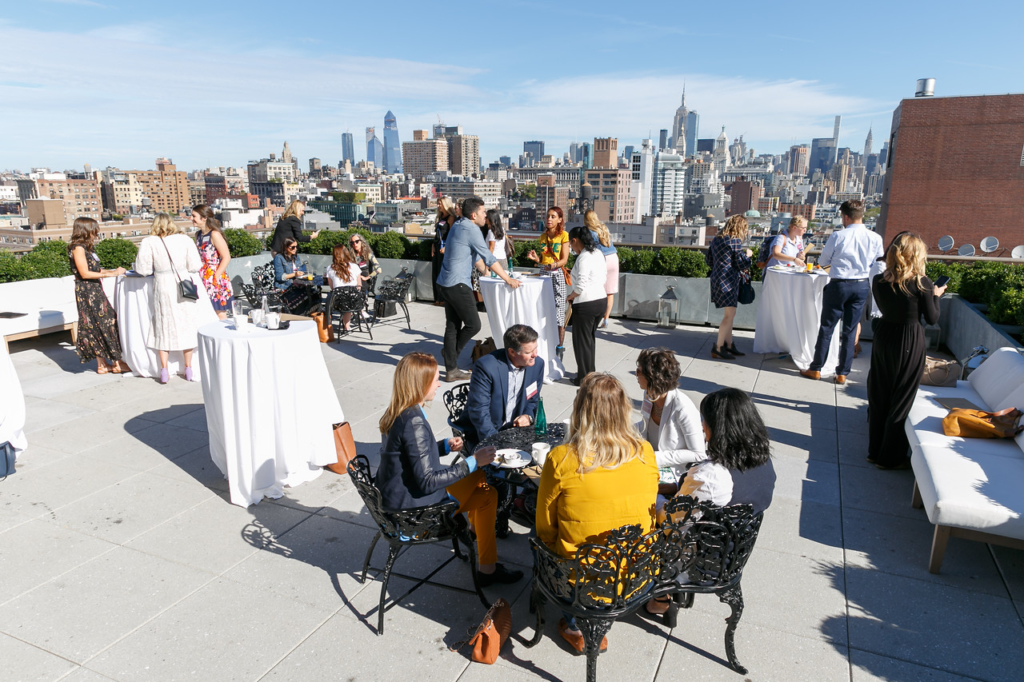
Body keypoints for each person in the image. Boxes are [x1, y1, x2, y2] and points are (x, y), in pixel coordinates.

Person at [536, 373, 659, 653]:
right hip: (634, 575)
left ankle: (575, 625)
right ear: (624, 410)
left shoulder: (561, 458)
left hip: (578, 580)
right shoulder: (645, 452)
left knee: (535, 538)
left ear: (580, 409)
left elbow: (545, 529)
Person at [376, 352, 524, 586]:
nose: (439, 383)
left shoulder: (398, 411)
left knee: (486, 490)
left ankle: (484, 557)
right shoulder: (414, 421)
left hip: (398, 497)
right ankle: (485, 564)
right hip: (415, 511)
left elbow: (410, 456)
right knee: (482, 478)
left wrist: (443, 447)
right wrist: (473, 460)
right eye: (435, 379)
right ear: (421, 383)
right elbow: (427, 480)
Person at [646, 387, 775, 618]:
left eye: (703, 420)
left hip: (702, 561)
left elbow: (668, 520)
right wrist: (677, 487)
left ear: (718, 428)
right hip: (732, 553)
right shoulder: (763, 462)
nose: (701, 426)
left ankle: (660, 597)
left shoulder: (713, 475)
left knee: (638, 520)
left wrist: (650, 495)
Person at [867, 233, 945, 470]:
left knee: (880, 394)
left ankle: (874, 451)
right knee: (902, 397)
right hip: (909, 339)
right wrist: (936, 297)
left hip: (884, 336)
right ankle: (889, 457)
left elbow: (886, 308)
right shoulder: (923, 283)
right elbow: (932, 319)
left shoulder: (879, 280)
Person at [436, 196, 520, 382]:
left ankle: (451, 370)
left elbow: (475, 257)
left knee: (452, 326)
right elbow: (489, 258)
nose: (485, 215)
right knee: (474, 324)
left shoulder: (459, 225)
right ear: (474, 215)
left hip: (445, 283)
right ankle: (450, 355)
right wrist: (507, 279)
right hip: (457, 283)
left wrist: (486, 274)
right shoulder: (471, 229)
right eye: (483, 212)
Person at [800, 200, 884, 384]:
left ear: (846, 216)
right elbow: (879, 265)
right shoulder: (875, 238)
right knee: (850, 330)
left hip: (839, 285)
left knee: (827, 328)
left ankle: (816, 368)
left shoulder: (838, 236)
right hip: (861, 285)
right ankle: (842, 373)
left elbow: (823, 261)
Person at [134, 213, 202, 384]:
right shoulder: (185, 240)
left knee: (163, 326)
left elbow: (143, 270)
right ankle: (188, 368)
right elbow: (195, 265)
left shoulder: (149, 242)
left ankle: (164, 370)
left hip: (163, 285)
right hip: (182, 283)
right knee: (186, 323)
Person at [456, 324, 546, 447]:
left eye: (535, 349)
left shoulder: (537, 365)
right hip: (483, 434)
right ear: (512, 352)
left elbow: (532, 399)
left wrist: (527, 416)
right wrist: (495, 443)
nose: (535, 355)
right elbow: (479, 411)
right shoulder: (486, 367)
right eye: (529, 352)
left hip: (516, 432)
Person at [634, 348, 706, 493]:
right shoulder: (649, 394)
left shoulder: (682, 408)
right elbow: (645, 425)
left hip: (672, 473)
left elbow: (699, 453)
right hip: (647, 462)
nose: (636, 374)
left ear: (651, 377)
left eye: (639, 371)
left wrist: (654, 457)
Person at [67, 217, 129, 374]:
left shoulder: (86, 248)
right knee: (108, 322)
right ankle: (117, 362)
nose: (97, 233)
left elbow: (96, 270)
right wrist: (111, 274)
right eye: (94, 230)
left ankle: (102, 365)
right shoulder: (78, 248)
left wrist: (114, 271)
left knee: (94, 325)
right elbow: (84, 273)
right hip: (87, 291)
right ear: (86, 230)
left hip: (92, 289)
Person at [706, 215, 753, 360]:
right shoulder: (734, 241)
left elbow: (708, 260)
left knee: (729, 314)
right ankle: (718, 347)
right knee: (729, 316)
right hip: (729, 281)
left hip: (716, 278)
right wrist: (748, 255)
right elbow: (741, 263)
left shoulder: (717, 239)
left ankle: (729, 344)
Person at [526, 207, 570, 360]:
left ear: (560, 219)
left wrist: (554, 265)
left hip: (557, 275)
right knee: (543, 310)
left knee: (558, 313)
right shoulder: (543, 237)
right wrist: (536, 259)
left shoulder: (564, 236)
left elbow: (564, 259)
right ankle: (544, 344)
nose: (549, 219)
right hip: (544, 275)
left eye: (553, 216)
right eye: (547, 216)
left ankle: (559, 347)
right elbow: (544, 260)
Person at [565, 226, 607, 385]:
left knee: (581, 343)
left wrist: (571, 296)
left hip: (586, 303)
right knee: (589, 341)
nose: (572, 248)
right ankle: (591, 375)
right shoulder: (598, 253)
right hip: (600, 300)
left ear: (575, 240)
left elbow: (580, 285)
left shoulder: (583, 257)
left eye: (571, 244)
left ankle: (583, 378)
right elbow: (603, 276)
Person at [191, 204, 233, 319]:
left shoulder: (214, 234)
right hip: (203, 276)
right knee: (206, 311)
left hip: (214, 276)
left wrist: (216, 276)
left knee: (219, 312)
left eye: (194, 216)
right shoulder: (198, 235)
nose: (191, 219)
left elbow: (226, 257)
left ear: (204, 218)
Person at [584, 210, 619, 328]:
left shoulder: (588, 231)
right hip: (613, 258)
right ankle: (606, 319)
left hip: (601, 259)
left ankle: (596, 318)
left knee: (597, 289)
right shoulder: (604, 227)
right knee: (610, 291)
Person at [324, 244, 362, 333]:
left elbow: (332, 287)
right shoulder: (355, 266)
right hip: (356, 302)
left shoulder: (330, 268)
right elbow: (359, 285)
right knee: (350, 297)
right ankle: (347, 326)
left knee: (332, 298)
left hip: (339, 302)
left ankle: (328, 323)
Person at [432, 197, 457, 305]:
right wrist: (433, 246)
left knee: (443, 273)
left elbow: (452, 234)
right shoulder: (440, 217)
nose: (438, 206)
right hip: (437, 247)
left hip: (445, 248)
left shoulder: (451, 217)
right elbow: (437, 234)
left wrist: (447, 247)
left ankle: (443, 299)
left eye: (440, 204)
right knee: (435, 272)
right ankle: (437, 298)